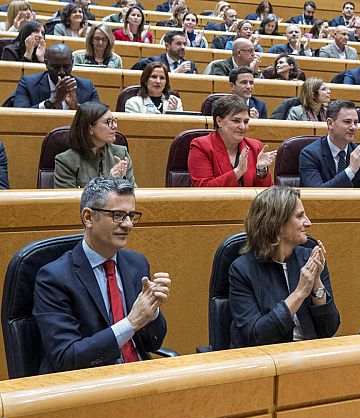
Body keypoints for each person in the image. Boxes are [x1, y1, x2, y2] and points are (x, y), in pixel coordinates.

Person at [33, 176, 169, 374]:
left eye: (131, 215)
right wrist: (130, 324)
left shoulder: (136, 264)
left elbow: (153, 343)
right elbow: (66, 358)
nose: (128, 224)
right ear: (88, 217)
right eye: (118, 215)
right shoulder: (54, 278)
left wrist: (152, 311)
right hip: (91, 385)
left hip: (140, 376)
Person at [229, 186, 339, 347]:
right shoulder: (242, 270)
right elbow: (256, 336)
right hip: (267, 361)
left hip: (309, 356)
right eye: (300, 216)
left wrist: (317, 286)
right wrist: (300, 293)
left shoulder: (309, 258)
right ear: (277, 224)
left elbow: (329, 329)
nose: (308, 223)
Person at [188, 96, 276, 187]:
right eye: (236, 121)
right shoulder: (201, 146)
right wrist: (238, 172)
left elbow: (266, 195)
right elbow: (204, 188)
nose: (242, 127)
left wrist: (261, 171)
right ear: (219, 121)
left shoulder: (255, 146)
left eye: (245, 122)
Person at [298, 100, 360, 188]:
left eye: (355, 122)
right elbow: (317, 195)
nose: (353, 127)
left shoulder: (359, 153)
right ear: (330, 123)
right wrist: (350, 170)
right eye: (347, 122)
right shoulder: (310, 154)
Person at [54, 103, 134, 188]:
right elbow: (69, 200)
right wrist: (110, 183)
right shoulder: (66, 161)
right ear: (90, 128)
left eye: (114, 121)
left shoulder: (121, 153)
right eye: (108, 122)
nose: (115, 126)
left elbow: (134, 194)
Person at [13, 44, 100, 109]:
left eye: (66, 67)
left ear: (72, 63)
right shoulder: (28, 84)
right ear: (46, 63)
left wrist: (76, 107)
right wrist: (51, 102)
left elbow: (98, 117)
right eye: (56, 67)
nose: (61, 72)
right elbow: (19, 115)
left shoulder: (87, 86)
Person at [131, 30, 197, 74]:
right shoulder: (152, 62)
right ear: (167, 46)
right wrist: (175, 72)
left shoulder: (190, 65)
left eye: (184, 44)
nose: (183, 47)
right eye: (178, 44)